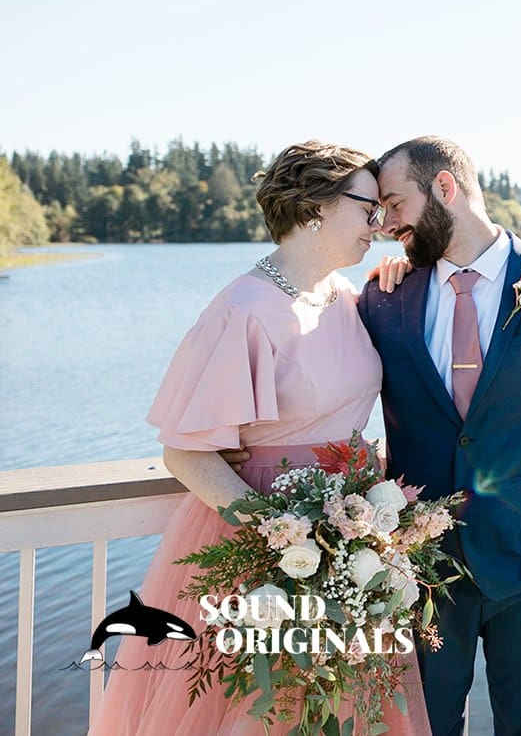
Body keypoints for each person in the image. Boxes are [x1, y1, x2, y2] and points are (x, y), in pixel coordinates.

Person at [87, 141, 431, 736]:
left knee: (340, 705)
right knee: (261, 708)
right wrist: (280, 533)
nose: (378, 226)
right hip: (263, 539)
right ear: (316, 207)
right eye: (367, 208)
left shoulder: (348, 298)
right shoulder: (243, 308)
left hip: (351, 534)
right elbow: (185, 451)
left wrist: (394, 277)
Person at [361, 136, 521, 736]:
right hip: (422, 570)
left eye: (395, 204)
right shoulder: (385, 296)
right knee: (425, 727)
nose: (386, 224)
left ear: (444, 187)